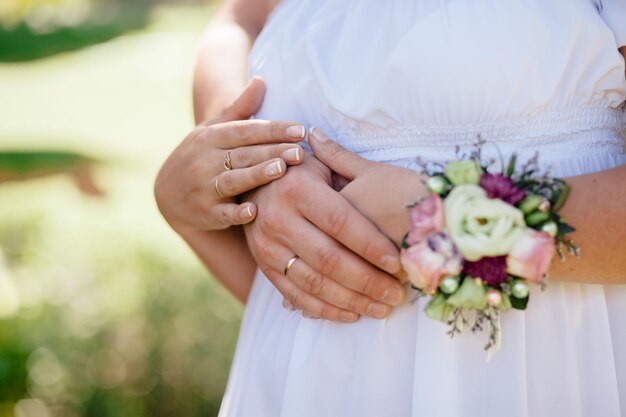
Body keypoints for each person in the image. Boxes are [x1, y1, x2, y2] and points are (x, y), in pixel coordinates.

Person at [155, 1, 626, 416]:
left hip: (545, 375)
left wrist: (447, 220)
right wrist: (240, 163)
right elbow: (243, 16)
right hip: (307, 388)